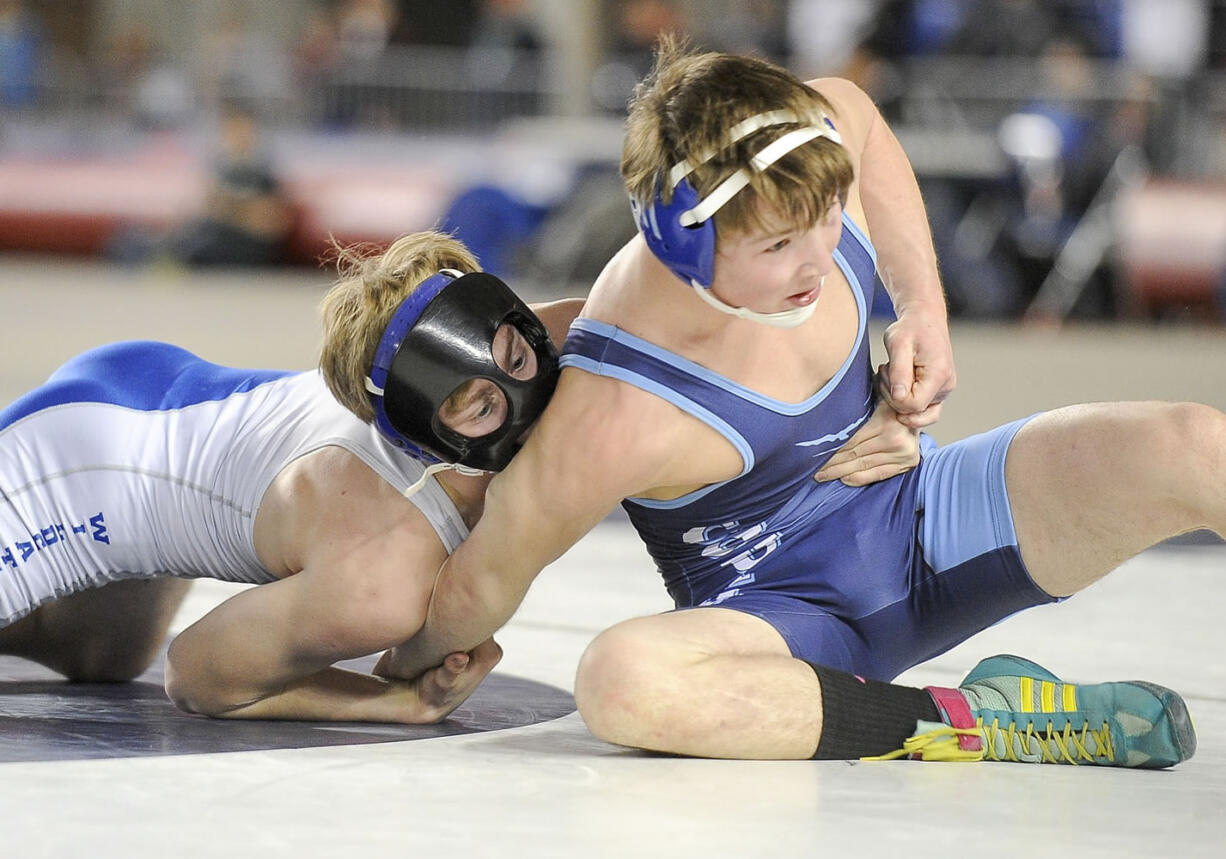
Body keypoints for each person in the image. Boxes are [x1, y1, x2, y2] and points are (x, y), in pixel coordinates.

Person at [376, 40, 1218, 766]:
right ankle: (979, 724)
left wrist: (923, 305)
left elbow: (862, 119)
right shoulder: (613, 405)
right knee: (622, 681)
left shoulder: (808, 143)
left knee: (1195, 442)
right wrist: (405, 660)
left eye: (825, 219)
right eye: (778, 245)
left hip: (929, 512)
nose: (816, 261)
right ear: (683, 245)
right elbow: (485, 578)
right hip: (785, 624)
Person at [0, 231, 580, 724]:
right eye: (480, 409)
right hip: (72, 466)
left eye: (516, 357)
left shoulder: (558, 339)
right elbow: (198, 675)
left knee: (105, 658)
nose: (526, 396)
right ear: (436, 439)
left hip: (162, 406)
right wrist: (393, 702)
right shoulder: (384, 577)